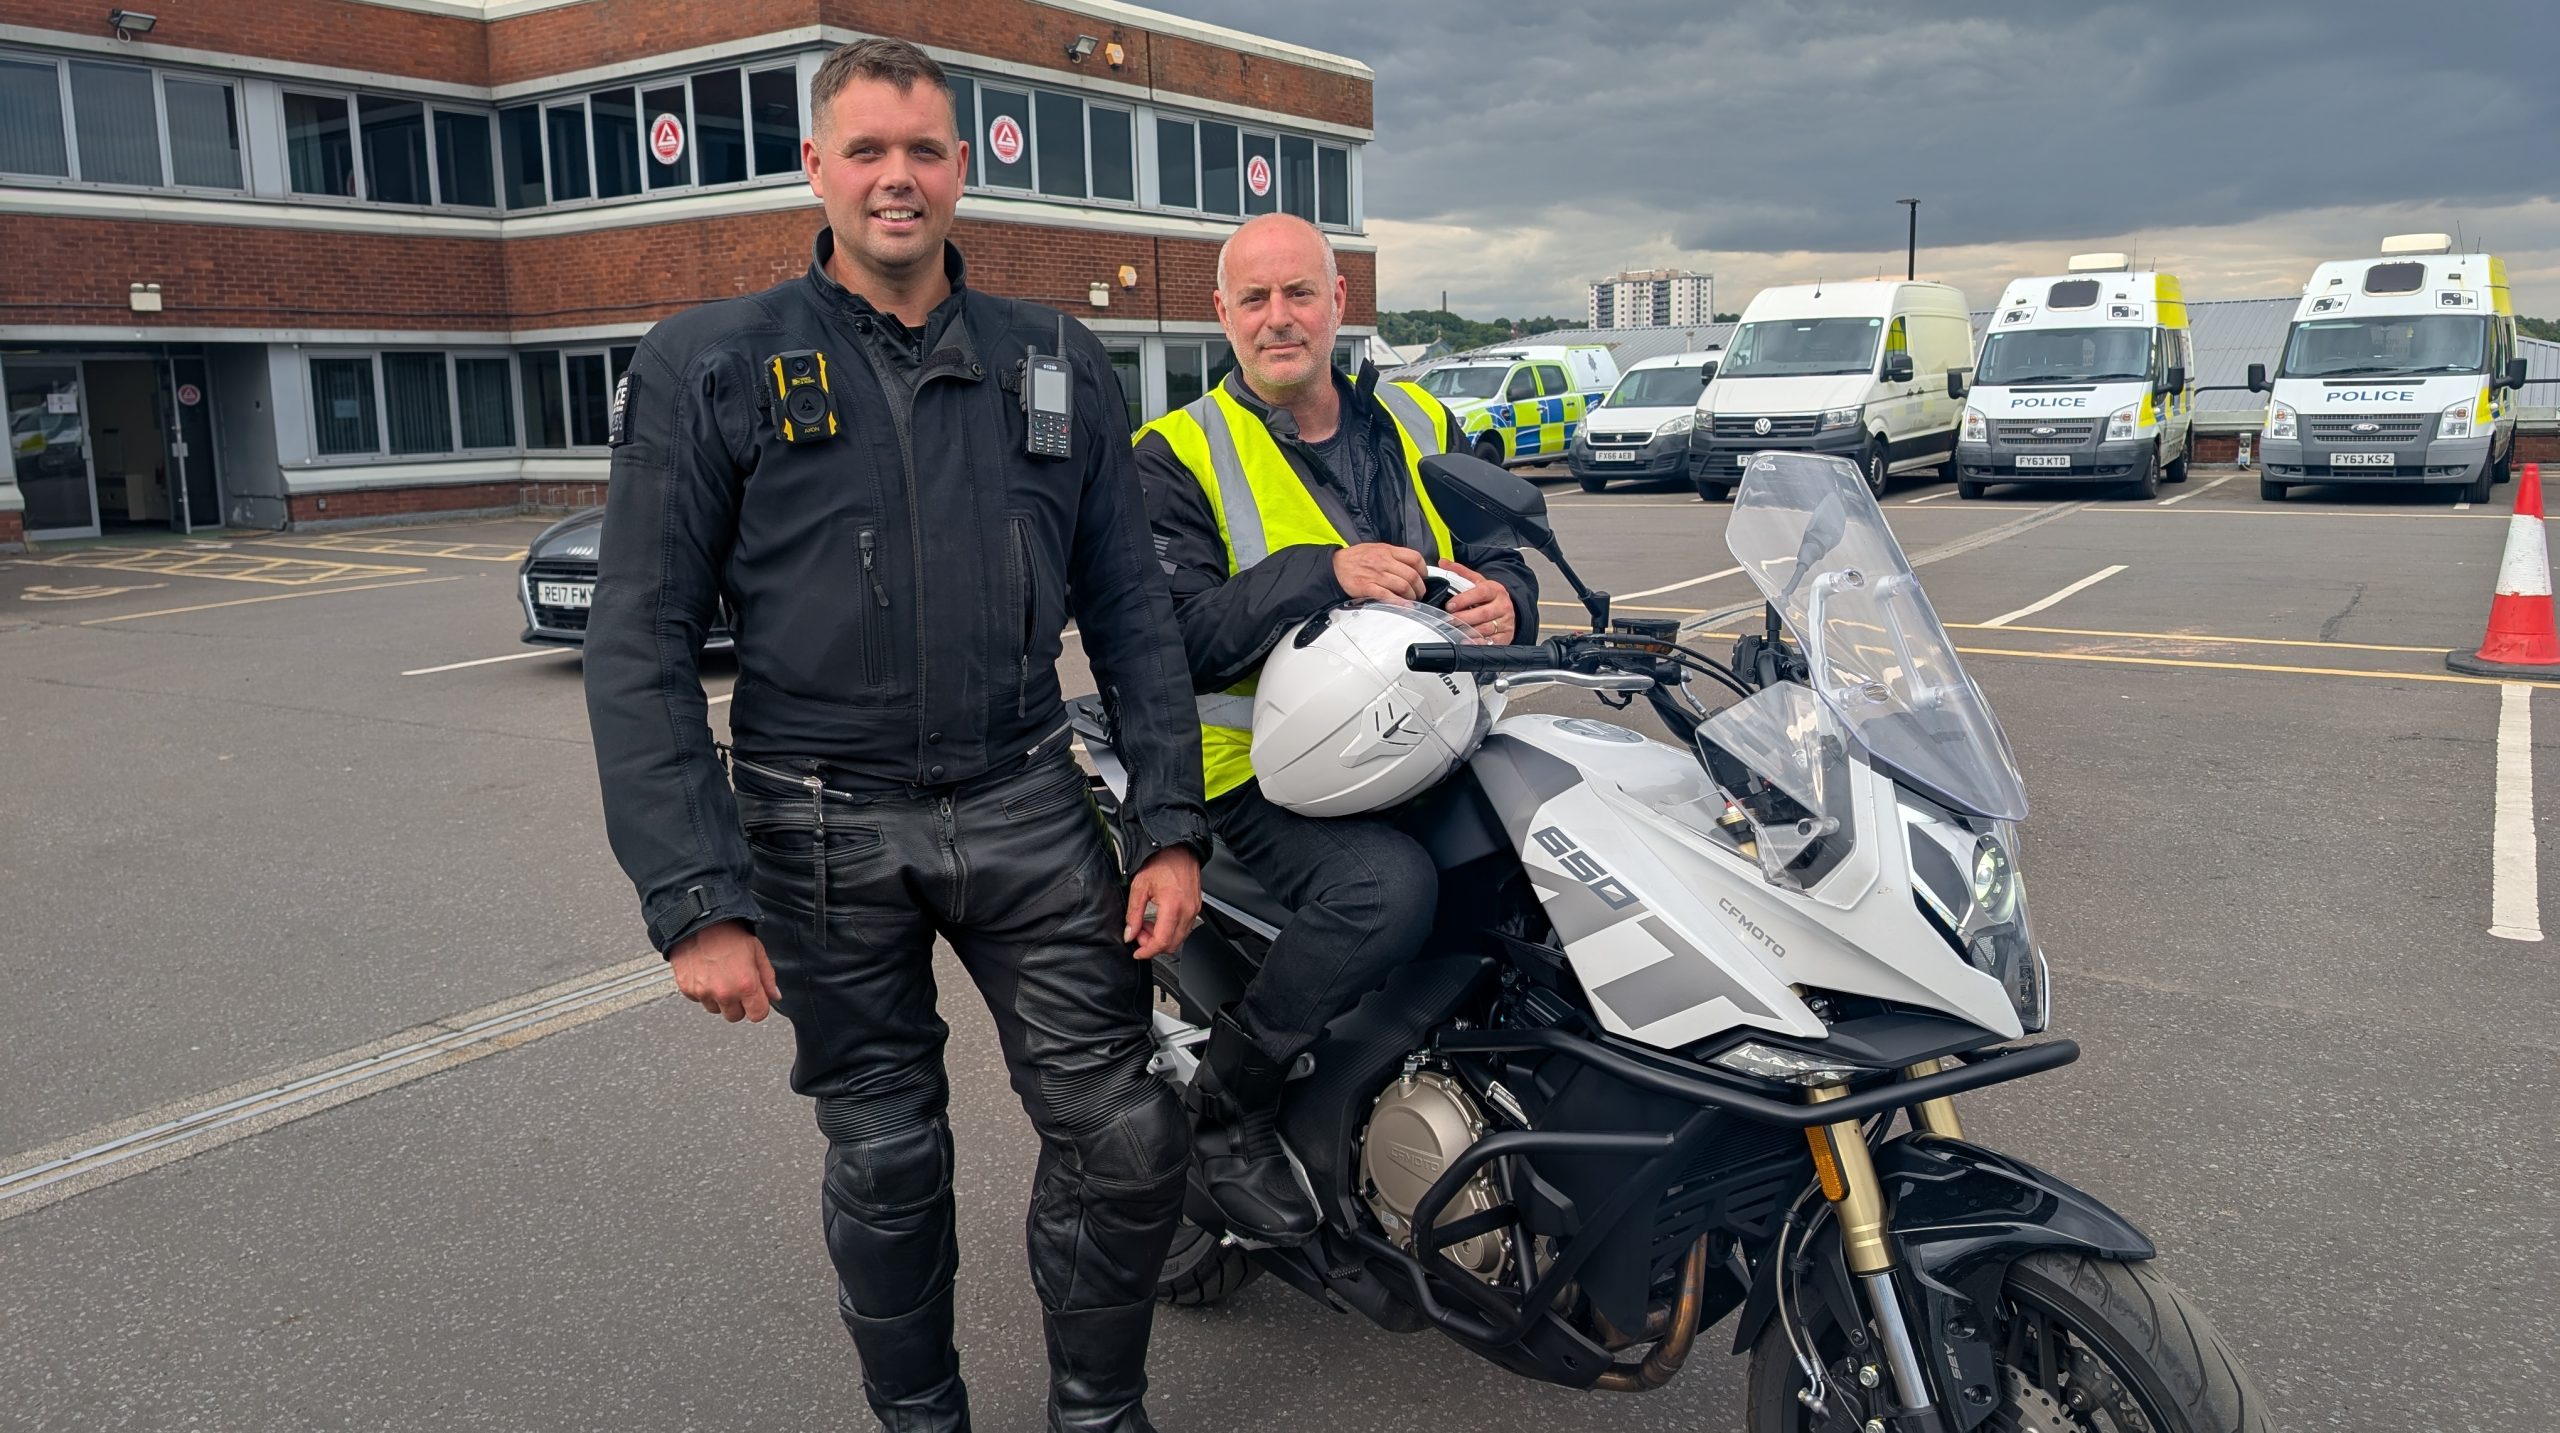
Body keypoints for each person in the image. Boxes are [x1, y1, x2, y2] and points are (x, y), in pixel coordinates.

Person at [583, 38, 1208, 1433]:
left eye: (923, 149)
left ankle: (1097, 1413)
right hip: (815, 820)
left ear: (965, 169)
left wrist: (1168, 820)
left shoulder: (1055, 357)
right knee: (887, 1153)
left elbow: (1130, 606)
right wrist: (697, 901)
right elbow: (638, 646)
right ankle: (921, 1418)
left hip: (1025, 794)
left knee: (1126, 1131)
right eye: (865, 150)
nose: (896, 178)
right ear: (815, 168)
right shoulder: (712, 364)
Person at [1133, 214, 1537, 1242]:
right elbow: (1171, 635)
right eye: (1256, 299)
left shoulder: (1412, 420)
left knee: (1560, 857)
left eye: (1298, 293)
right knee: (1383, 890)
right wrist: (1324, 569)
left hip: (1424, 740)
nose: (1280, 318)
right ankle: (1227, 1109)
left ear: (1338, 303)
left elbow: (1498, 544)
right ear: (1221, 314)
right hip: (1257, 773)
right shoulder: (1175, 454)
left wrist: (1509, 602)